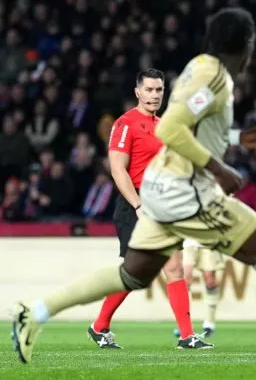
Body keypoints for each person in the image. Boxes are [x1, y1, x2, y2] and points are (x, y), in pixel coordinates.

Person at [12, 8, 256, 380]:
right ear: (242, 45)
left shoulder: (199, 68)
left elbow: (188, 124)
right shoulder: (215, 77)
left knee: (131, 273)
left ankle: (34, 313)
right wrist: (218, 169)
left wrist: (236, 139)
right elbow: (171, 127)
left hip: (162, 190)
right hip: (184, 190)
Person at [89, 69, 211, 350]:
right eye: (150, 90)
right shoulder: (125, 124)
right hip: (135, 205)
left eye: (159, 90)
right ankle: (99, 326)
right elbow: (118, 170)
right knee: (136, 273)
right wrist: (138, 205)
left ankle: (186, 336)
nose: (155, 95)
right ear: (138, 92)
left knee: (175, 267)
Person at [180, 238, 224, 339]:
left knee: (210, 280)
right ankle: (183, 323)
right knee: (185, 279)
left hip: (208, 240)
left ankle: (209, 323)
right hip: (188, 241)